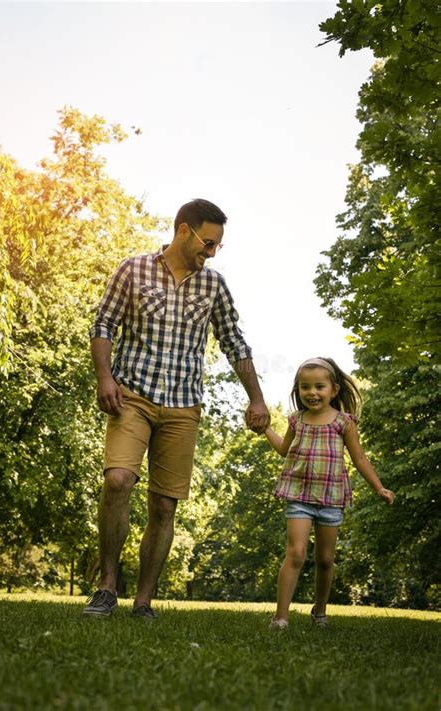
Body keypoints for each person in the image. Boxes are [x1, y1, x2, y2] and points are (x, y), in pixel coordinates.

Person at [84, 198, 270, 618]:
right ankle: (107, 587)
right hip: (131, 395)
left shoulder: (214, 286)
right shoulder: (134, 270)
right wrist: (104, 377)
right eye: (208, 242)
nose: (212, 252)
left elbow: (233, 341)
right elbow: (103, 325)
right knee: (117, 480)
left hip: (184, 405)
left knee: (164, 505)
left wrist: (256, 397)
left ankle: (144, 602)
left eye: (217, 246)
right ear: (183, 231)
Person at [264, 357, 394, 629]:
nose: (312, 392)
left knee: (324, 560)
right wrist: (265, 428)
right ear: (298, 390)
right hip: (299, 495)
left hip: (331, 499)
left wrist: (378, 486)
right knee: (295, 553)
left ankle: (320, 611)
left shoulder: (344, 423)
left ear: (333, 390)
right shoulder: (296, 421)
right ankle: (281, 617)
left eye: (319, 386)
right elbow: (283, 450)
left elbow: (359, 459)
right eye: (305, 387)